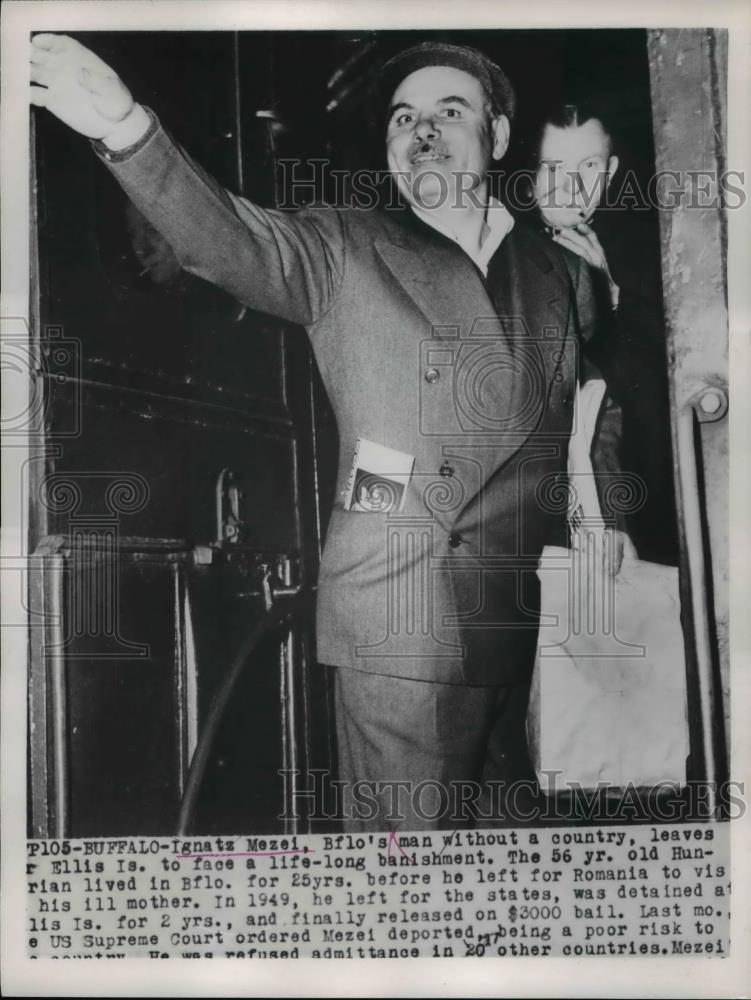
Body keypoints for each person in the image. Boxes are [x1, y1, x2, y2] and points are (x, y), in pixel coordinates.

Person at [30, 35, 627, 831]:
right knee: (407, 896)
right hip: (399, 625)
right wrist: (128, 129)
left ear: (498, 136)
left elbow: (597, 399)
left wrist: (606, 509)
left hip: (520, 622)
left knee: (506, 881)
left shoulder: (558, 273)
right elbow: (225, 238)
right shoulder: (340, 245)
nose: (421, 129)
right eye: (401, 117)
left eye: (450, 111)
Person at [532, 102, 679, 565]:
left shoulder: (648, 257)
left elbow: (650, 404)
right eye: (553, 167)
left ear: (611, 170)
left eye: (588, 166)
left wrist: (610, 300)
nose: (570, 187)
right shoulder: (496, 245)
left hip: (623, 515)